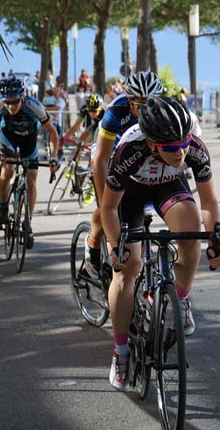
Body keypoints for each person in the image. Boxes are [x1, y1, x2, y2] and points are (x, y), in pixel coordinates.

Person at [101, 96, 220, 390]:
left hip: (168, 186)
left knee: (191, 232)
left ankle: (180, 297)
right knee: (127, 269)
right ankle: (121, 351)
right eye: (171, 147)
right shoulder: (129, 150)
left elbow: (208, 202)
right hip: (130, 194)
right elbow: (108, 208)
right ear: (152, 144)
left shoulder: (194, 148)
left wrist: (215, 239)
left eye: (184, 144)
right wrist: (115, 244)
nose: (180, 152)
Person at [82, 71, 163, 284]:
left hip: (137, 152)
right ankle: (93, 243)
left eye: (150, 103)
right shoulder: (116, 111)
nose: (146, 110)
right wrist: (105, 204)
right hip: (109, 150)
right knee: (108, 205)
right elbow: (101, 160)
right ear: (129, 101)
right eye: (139, 105)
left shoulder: (164, 110)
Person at [0, 77, 60, 248]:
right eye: (7, 102)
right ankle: (4, 206)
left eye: (14, 102)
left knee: (31, 181)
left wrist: (53, 157)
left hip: (29, 141)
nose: (10, 106)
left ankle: (28, 221)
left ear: (22, 97)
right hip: (8, 139)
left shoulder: (34, 106)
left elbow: (52, 132)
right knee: (7, 171)